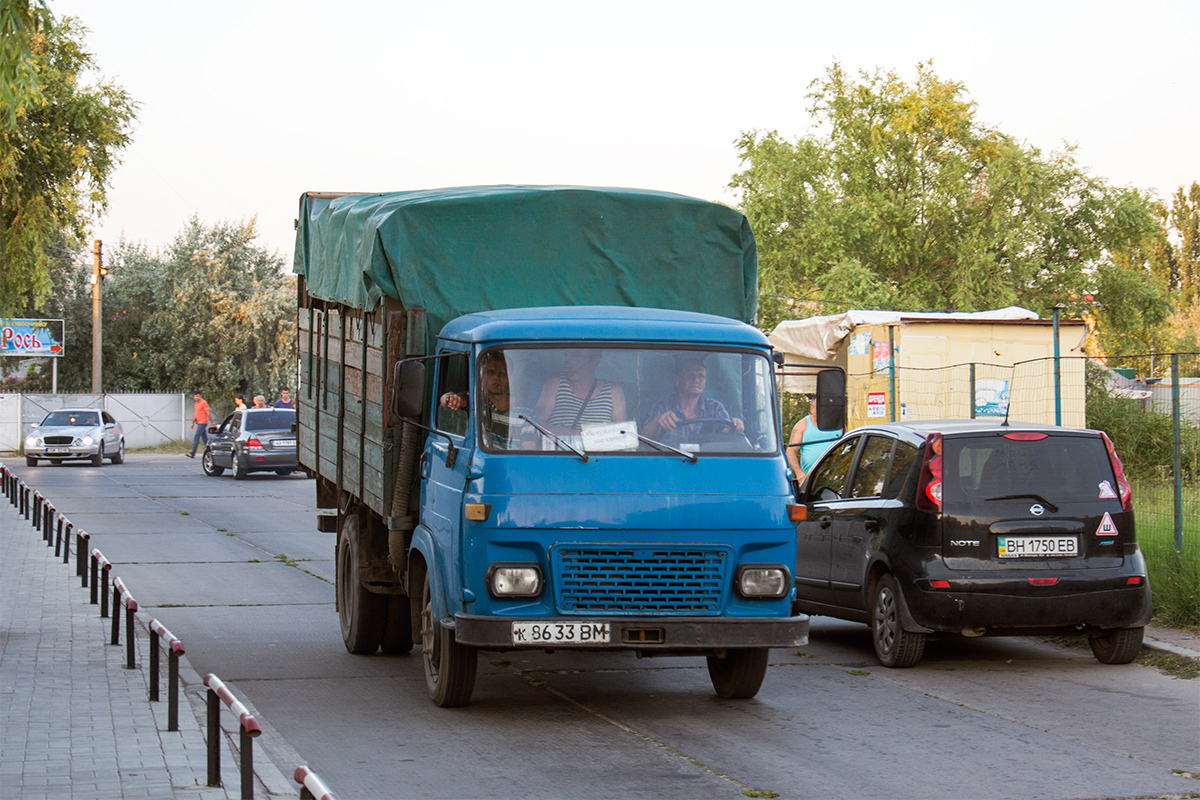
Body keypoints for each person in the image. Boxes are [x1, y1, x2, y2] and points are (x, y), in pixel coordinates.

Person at [641, 355, 744, 447]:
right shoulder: (664, 405)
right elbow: (643, 440)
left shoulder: (715, 407)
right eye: (690, 376)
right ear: (677, 380)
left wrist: (735, 427)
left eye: (701, 376)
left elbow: (727, 437)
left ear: (705, 381)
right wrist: (657, 421)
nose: (696, 380)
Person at [439, 352, 528, 448]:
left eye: (502, 373)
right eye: (491, 372)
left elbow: (528, 449)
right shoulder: (477, 402)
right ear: (483, 375)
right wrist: (449, 399)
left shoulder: (524, 411)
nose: (496, 377)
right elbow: (452, 400)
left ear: (511, 378)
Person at [533, 349, 627, 437]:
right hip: (561, 452)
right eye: (567, 357)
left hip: (600, 453)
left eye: (576, 358)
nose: (569, 364)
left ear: (595, 362)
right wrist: (570, 433)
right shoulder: (555, 383)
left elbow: (623, 434)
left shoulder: (613, 391)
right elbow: (538, 424)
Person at [786, 397, 843, 482]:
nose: (824, 410)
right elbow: (790, 451)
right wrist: (799, 473)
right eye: (820, 407)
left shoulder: (839, 426)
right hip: (810, 479)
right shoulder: (802, 425)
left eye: (827, 407)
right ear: (812, 409)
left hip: (836, 479)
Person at [186, 391, 211, 458]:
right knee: (205, 438)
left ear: (200, 396)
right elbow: (196, 414)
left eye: (197, 396)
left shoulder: (204, 403)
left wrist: (212, 422)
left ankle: (192, 453)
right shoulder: (196, 403)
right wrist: (192, 422)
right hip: (199, 422)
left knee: (196, 437)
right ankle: (210, 452)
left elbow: (208, 413)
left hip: (203, 422)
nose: (196, 397)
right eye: (195, 396)